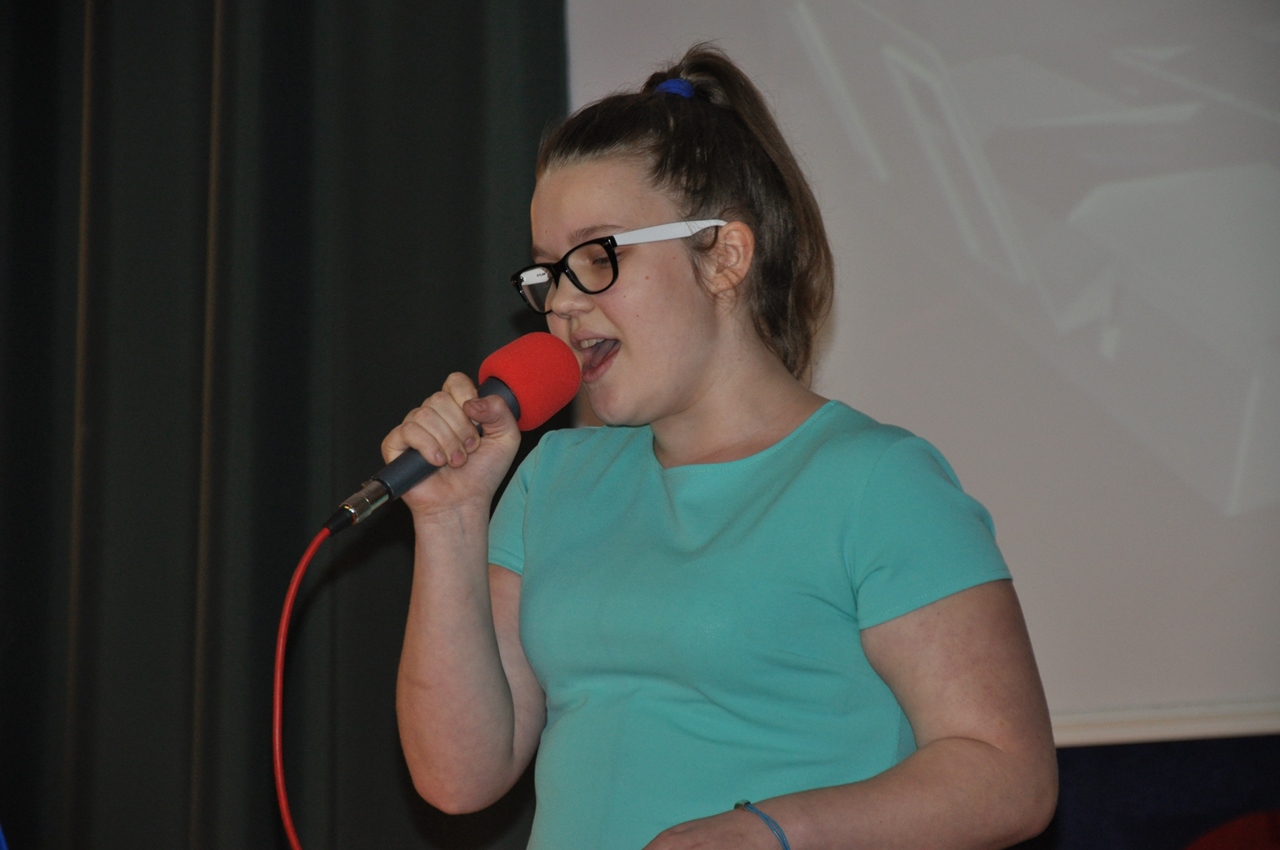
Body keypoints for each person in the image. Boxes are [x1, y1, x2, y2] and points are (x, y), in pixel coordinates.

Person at [385, 43, 1057, 850]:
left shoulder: (876, 480)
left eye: (597, 256)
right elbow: (458, 779)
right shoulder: (551, 478)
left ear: (726, 257)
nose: (561, 302)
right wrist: (450, 520)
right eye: (547, 273)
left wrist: (770, 833)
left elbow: (1007, 775)